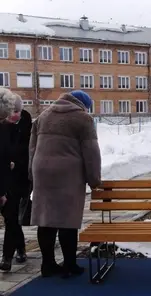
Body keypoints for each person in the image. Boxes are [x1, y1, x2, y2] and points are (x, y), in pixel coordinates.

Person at [29, 90, 101, 278]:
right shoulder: (83, 118)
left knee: (46, 220)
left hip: (42, 172)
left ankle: (48, 265)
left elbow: (32, 147)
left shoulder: (43, 115)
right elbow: (91, 152)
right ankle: (70, 264)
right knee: (67, 220)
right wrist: (94, 180)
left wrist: (32, 172)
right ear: (84, 105)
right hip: (68, 173)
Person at [0, 93, 32, 271]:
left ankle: (7, 257)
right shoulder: (3, 125)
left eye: (17, 111)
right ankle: (20, 248)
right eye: (11, 111)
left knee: (12, 217)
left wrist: (17, 163)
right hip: (5, 177)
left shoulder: (28, 125)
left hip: (21, 178)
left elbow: (30, 151)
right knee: (11, 218)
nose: (14, 114)